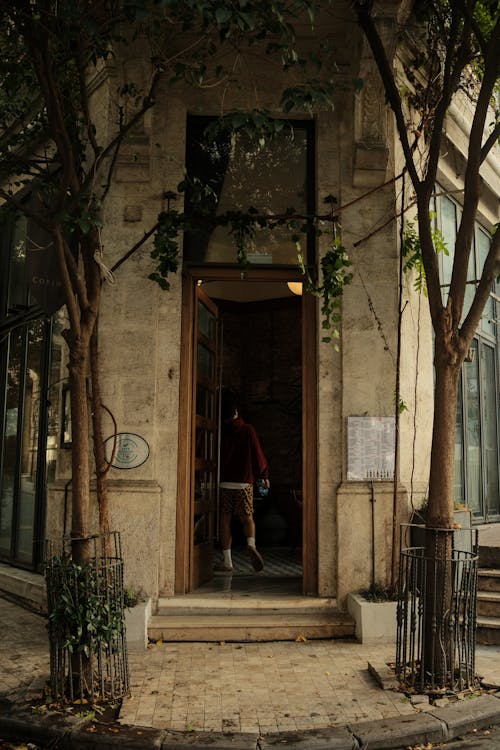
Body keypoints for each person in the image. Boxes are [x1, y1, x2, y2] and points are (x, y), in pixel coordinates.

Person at [215, 389, 270, 573]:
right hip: (244, 483)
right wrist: (264, 476)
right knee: (247, 518)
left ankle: (228, 562)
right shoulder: (248, 430)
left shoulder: (219, 431)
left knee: (225, 520)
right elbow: (258, 457)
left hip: (224, 483)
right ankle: (251, 544)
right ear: (236, 410)